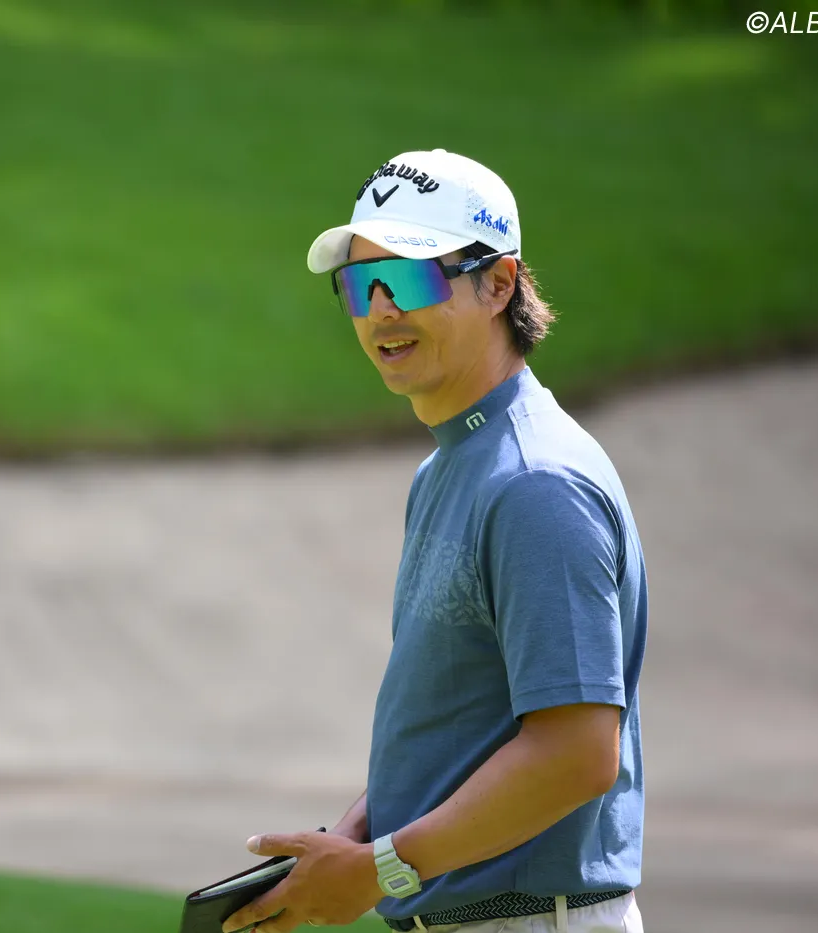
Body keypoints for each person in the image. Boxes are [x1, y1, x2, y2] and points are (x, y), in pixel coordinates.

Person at [222, 150, 647, 933]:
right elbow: (456, 717)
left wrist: (380, 867)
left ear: (499, 283)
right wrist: (353, 838)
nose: (381, 310)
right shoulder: (450, 468)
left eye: (411, 278)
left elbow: (577, 752)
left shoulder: (536, 485)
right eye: (360, 284)